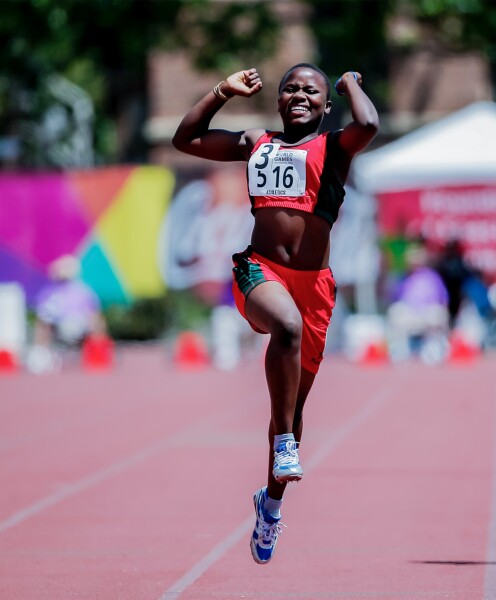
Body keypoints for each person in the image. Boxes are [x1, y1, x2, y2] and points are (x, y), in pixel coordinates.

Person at [172, 64, 378, 564]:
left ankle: (271, 505)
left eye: (312, 90)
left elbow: (368, 125)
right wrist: (222, 90)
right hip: (259, 272)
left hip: (315, 289)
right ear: (278, 100)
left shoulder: (335, 146)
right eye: (291, 88)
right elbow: (186, 139)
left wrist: (350, 81)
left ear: (326, 105)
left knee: (293, 403)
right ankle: (284, 440)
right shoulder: (256, 141)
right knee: (283, 328)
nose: (300, 94)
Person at [27, 254, 105, 373]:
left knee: (45, 325)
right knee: (44, 325)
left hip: (76, 327)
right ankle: (41, 354)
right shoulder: (56, 292)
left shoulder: (80, 291)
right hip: (64, 327)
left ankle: (98, 352)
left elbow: (94, 315)